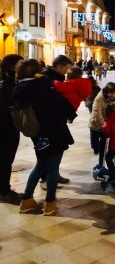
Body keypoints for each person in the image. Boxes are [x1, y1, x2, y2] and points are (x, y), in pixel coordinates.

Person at [15, 60, 76, 215]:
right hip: (52, 131)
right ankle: (50, 203)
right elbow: (61, 105)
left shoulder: (19, 89)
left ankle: (26, 200)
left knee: (41, 164)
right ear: (36, 72)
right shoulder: (40, 87)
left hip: (37, 134)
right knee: (53, 168)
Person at [35, 67, 91, 151]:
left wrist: (52, 81)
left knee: (51, 120)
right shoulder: (83, 83)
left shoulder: (74, 83)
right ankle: (66, 137)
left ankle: (46, 139)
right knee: (58, 121)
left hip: (65, 104)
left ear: (69, 76)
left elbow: (61, 87)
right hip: (71, 106)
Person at [42, 55, 73, 185]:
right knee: (49, 151)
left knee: (60, 147)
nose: (67, 71)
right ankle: (46, 179)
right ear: (60, 66)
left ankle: (55, 174)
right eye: (66, 68)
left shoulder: (56, 77)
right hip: (49, 121)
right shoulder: (49, 79)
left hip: (57, 119)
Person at [0, 54, 23, 203]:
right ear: (11, 67)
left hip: (8, 127)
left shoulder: (8, 83)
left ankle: (4, 189)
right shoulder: (8, 86)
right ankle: (4, 192)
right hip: (6, 128)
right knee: (5, 160)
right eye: (20, 64)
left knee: (5, 159)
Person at [89, 82, 115, 173]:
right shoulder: (99, 98)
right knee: (94, 145)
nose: (113, 95)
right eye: (111, 93)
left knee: (103, 148)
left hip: (105, 128)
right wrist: (103, 124)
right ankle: (95, 148)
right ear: (106, 92)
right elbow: (96, 113)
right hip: (95, 125)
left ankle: (100, 165)